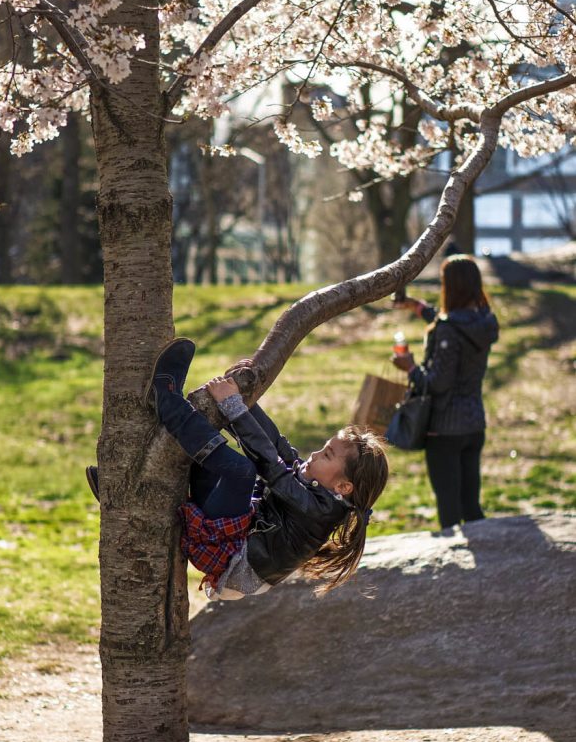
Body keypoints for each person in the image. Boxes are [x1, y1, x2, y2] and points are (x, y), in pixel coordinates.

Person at [87, 338, 389, 600]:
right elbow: (281, 448)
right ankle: (133, 499)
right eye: (324, 447)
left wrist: (234, 406)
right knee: (207, 460)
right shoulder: (320, 490)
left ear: (343, 487)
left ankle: (166, 399)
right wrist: (246, 399)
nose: (315, 454)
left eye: (327, 455)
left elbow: (272, 467)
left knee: (241, 471)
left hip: (233, 559)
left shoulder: (318, 511)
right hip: (239, 532)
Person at [391, 254, 499, 530]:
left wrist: (411, 367)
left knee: (449, 511)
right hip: (474, 425)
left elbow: (438, 382)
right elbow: (452, 325)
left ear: (451, 287)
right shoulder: (484, 322)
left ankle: (457, 571)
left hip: (445, 430)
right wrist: (418, 307)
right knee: (471, 507)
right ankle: (491, 565)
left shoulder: (448, 331)